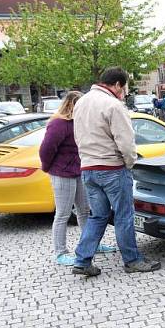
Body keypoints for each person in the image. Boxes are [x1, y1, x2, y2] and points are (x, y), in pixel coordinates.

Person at [72, 67, 161, 276]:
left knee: (98, 216)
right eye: (124, 88)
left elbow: (77, 136)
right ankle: (132, 260)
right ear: (118, 85)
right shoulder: (114, 105)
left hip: (88, 168)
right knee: (124, 215)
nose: (124, 93)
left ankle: (82, 260)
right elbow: (126, 142)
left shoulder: (81, 102)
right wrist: (130, 164)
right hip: (112, 168)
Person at [39, 91, 116, 266]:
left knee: (85, 211)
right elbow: (46, 149)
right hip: (62, 174)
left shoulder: (79, 122)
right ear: (73, 105)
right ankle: (60, 252)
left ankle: (90, 245)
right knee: (63, 214)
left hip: (79, 171)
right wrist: (48, 168)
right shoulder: (58, 124)